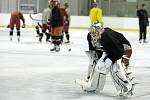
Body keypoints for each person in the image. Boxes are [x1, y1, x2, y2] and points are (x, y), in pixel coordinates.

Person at [76, 23, 134, 98]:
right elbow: (96, 52)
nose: (93, 34)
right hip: (110, 50)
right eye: (92, 31)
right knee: (100, 67)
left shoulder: (107, 37)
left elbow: (118, 51)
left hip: (123, 49)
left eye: (96, 31)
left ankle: (126, 88)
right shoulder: (89, 36)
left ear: (100, 30)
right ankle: (95, 87)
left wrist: (110, 59)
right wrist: (96, 61)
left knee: (115, 68)